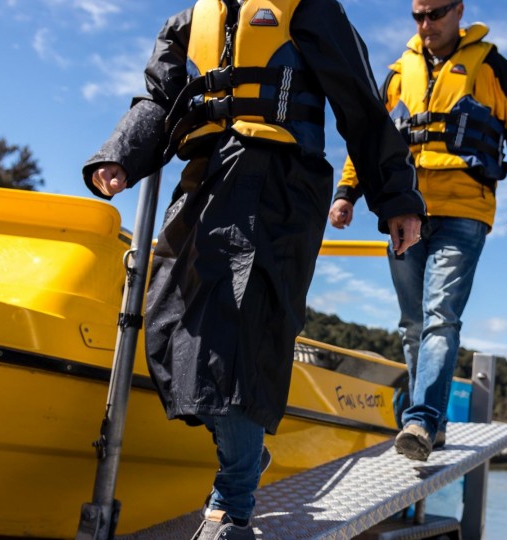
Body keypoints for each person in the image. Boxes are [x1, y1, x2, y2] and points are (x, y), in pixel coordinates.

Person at [82, 0, 426, 537]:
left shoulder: (309, 9)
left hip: (278, 187)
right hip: (203, 177)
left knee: (236, 334)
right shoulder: (188, 21)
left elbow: (360, 103)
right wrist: (120, 155)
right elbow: (159, 99)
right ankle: (243, 456)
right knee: (171, 326)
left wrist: (398, 196)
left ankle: (232, 502)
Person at [329, 0, 507, 462]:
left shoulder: (493, 69)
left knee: (440, 314)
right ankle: (432, 424)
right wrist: (346, 190)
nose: (426, 25)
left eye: (436, 14)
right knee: (412, 324)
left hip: (466, 210)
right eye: (418, 16)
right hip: (405, 210)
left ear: (459, 10)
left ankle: (421, 420)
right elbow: (370, 137)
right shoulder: (397, 74)